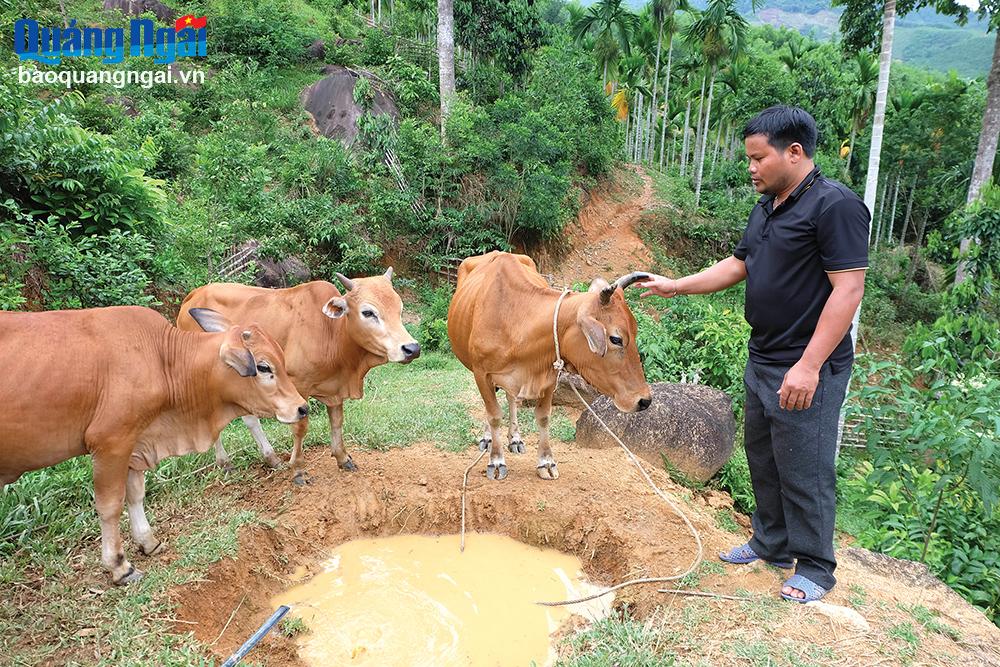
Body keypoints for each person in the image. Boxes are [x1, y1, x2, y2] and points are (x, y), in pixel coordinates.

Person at [637, 105, 868, 603]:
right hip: (763, 354)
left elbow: (847, 291)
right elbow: (739, 264)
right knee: (763, 456)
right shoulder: (767, 206)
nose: (751, 168)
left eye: (758, 158)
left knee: (804, 465)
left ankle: (816, 568)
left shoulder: (836, 207)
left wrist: (808, 366)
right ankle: (772, 543)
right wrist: (677, 286)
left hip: (809, 365)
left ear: (794, 151)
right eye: (749, 159)